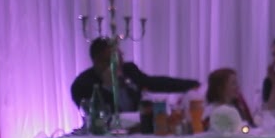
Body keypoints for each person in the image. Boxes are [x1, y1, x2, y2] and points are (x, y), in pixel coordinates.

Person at [70, 37, 199, 112]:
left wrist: (191, 85)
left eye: (120, 58)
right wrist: (108, 87)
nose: (118, 66)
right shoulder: (82, 85)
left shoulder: (129, 70)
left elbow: (154, 83)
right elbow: (99, 115)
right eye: (112, 61)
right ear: (97, 61)